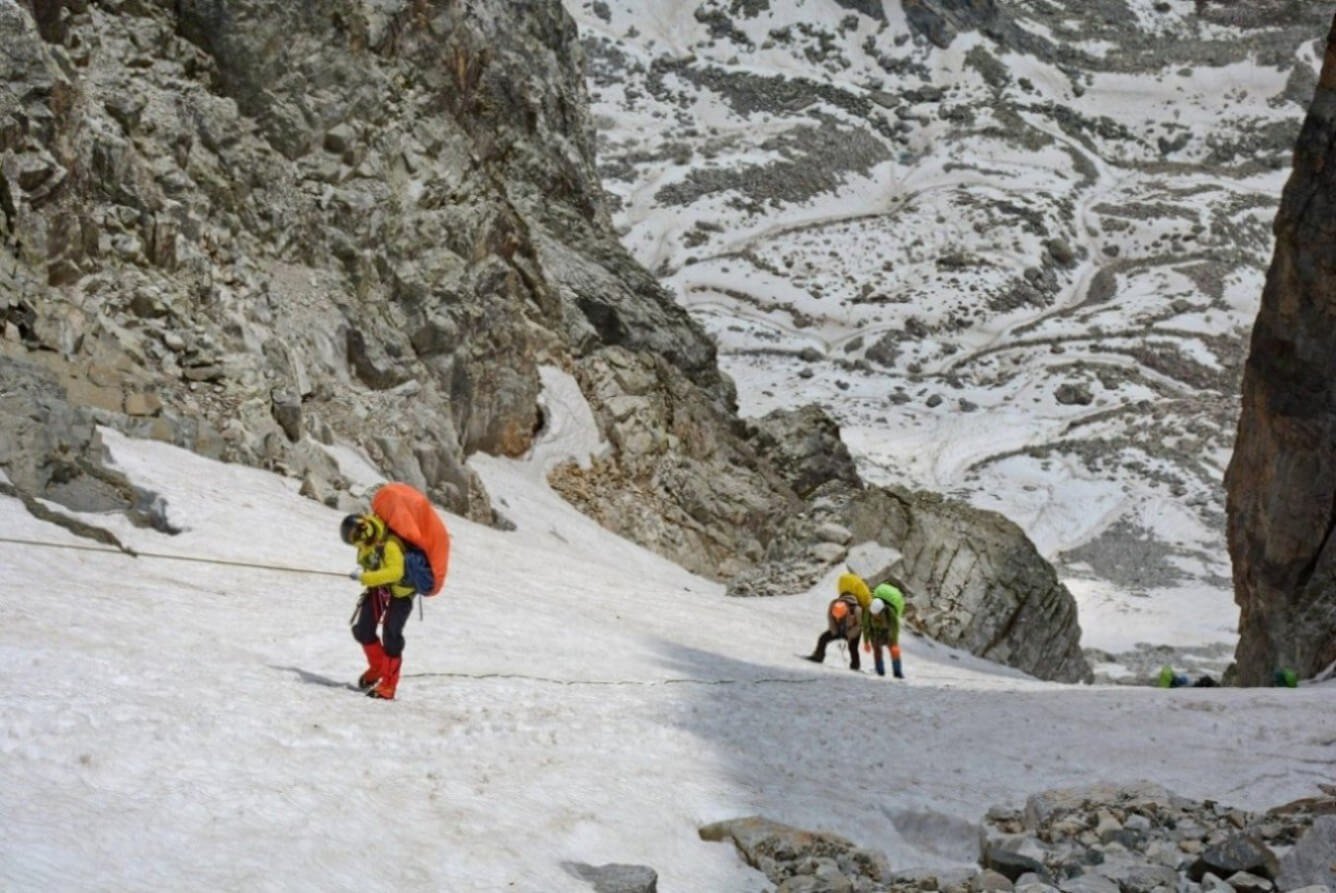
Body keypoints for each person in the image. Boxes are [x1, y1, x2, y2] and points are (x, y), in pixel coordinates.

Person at [341, 512, 417, 700]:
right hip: (380, 587)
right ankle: (378, 668)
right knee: (364, 629)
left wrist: (366, 577)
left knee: (391, 635)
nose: (359, 542)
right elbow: (369, 563)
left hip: (402, 592)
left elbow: (396, 573)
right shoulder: (366, 545)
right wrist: (364, 573)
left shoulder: (389, 544)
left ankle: (388, 687)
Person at [806, 572, 872, 670]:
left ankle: (855, 666)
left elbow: (859, 626)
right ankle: (818, 656)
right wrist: (834, 630)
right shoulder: (833, 604)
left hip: (852, 631)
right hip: (838, 628)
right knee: (823, 638)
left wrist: (850, 634)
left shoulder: (857, 610)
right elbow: (831, 618)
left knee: (853, 648)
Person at [863, 582, 906, 678]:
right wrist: (866, 642)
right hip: (875, 633)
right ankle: (880, 671)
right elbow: (866, 626)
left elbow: (895, 628)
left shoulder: (890, 613)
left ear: (882, 610)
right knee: (877, 651)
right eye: (873, 614)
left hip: (888, 633)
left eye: (876, 614)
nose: (874, 615)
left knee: (894, 651)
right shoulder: (868, 611)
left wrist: (894, 643)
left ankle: (897, 672)